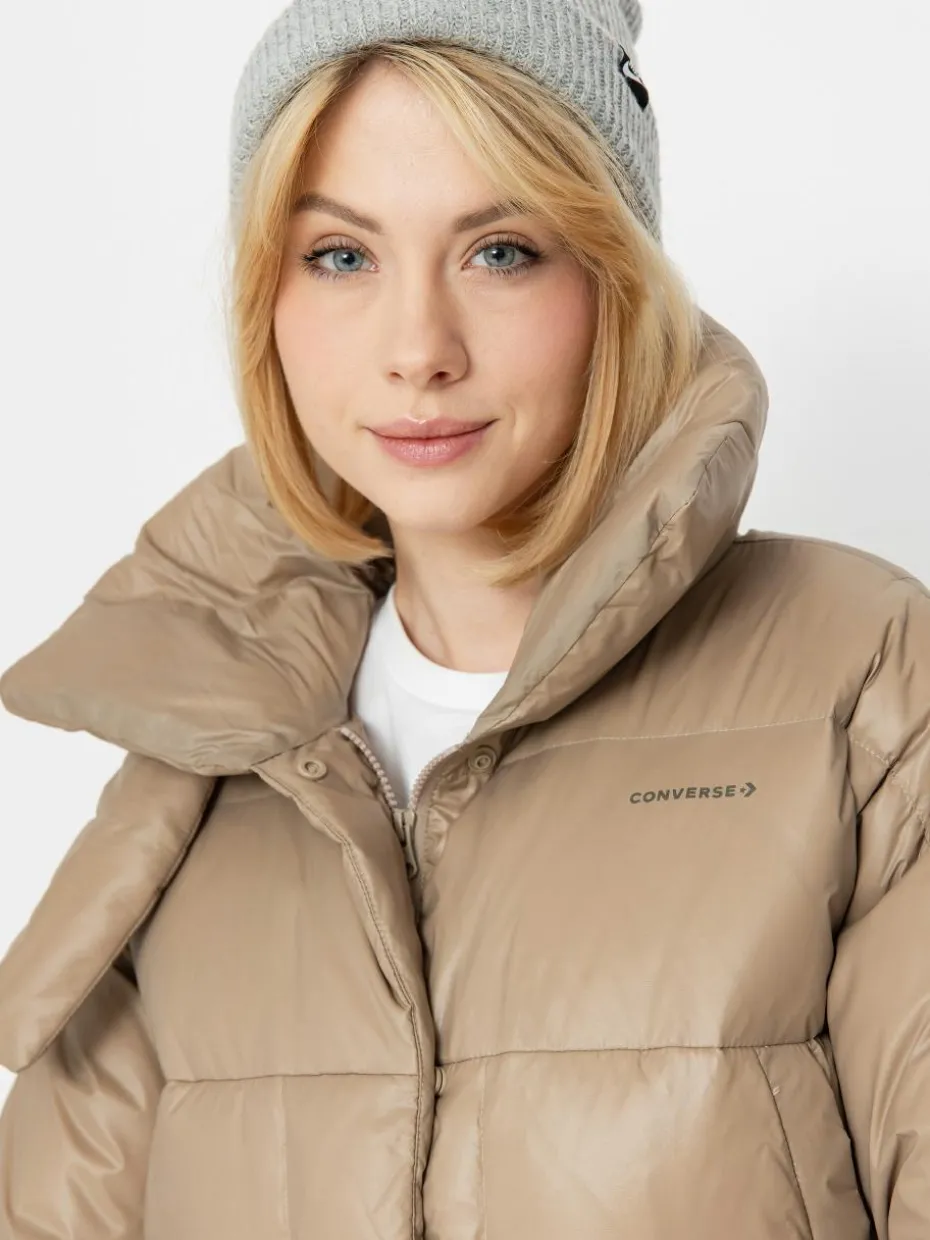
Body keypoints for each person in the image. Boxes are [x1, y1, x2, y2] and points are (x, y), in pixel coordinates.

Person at [0, 1, 927, 1236]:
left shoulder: (860, 679)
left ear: (614, 276)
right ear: (267, 298)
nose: (418, 349)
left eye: (501, 251)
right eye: (342, 256)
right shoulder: (202, 758)